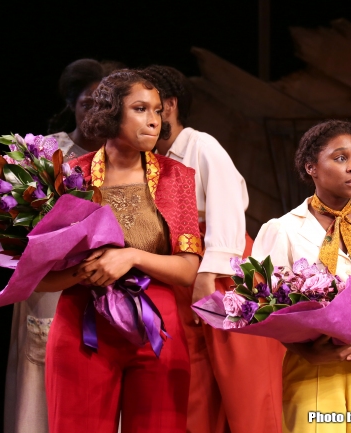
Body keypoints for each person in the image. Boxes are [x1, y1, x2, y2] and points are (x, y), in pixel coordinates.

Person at [37, 69, 202, 433]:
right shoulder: (68, 177)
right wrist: (86, 272)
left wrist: (131, 256)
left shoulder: (178, 176)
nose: (154, 121)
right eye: (141, 109)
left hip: (158, 327)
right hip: (83, 324)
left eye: (157, 111)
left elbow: (189, 269)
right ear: (112, 113)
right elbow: (38, 278)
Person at [141, 65, 286, 433]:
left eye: (150, 108)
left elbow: (229, 213)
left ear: (169, 105)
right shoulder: (149, 159)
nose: (145, 118)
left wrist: (208, 274)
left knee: (245, 387)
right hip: (182, 271)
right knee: (195, 385)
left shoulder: (202, 146)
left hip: (226, 273)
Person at [252, 120, 351, 433]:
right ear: (311, 167)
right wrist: (309, 351)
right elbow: (263, 307)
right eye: (340, 158)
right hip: (315, 368)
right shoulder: (282, 229)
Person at [4, 58, 109, 433]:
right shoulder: (48, 154)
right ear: (72, 106)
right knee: (43, 383)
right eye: (87, 104)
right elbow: (15, 223)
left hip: (110, 284)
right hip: (52, 285)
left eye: (104, 104)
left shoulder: (128, 158)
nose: (95, 113)